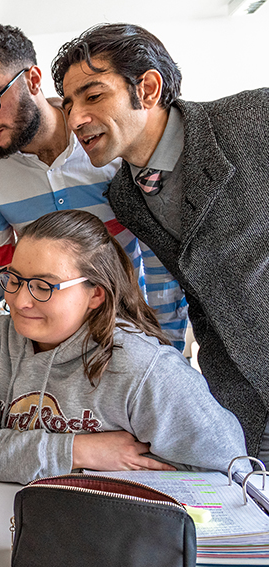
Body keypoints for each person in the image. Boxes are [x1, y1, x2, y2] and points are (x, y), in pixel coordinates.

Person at [51, 23, 269, 459]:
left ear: (148, 88)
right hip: (240, 402)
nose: (74, 119)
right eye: (70, 103)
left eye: (93, 96)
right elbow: (203, 299)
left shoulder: (254, 120)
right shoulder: (126, 197)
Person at [0, 24, 187, 351]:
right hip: (50, 349)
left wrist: (167, 346)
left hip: (132, 337)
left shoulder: (108, 139)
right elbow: (4, 282)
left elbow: (161, 259)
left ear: (32, 80)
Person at [0, 210, 247, 484]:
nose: (20, 301)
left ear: (96, 295)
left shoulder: (143, 366)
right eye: (15, 279)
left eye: (43, 286)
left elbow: (231, 467)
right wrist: (80, 450)